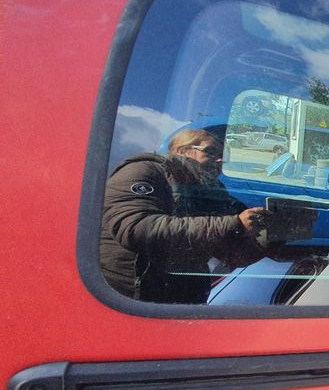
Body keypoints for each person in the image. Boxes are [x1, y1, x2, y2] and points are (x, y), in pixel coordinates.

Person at [100, 127, 268, 304]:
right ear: (182, 150)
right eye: (210, 152)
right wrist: (234, 223)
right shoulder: (143, 171)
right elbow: (136, 227)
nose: (220, 160)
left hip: (181, 304)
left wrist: (270, 237)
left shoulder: (210, 191)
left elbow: (231, 255)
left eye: (223, 156)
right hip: (128, 301)